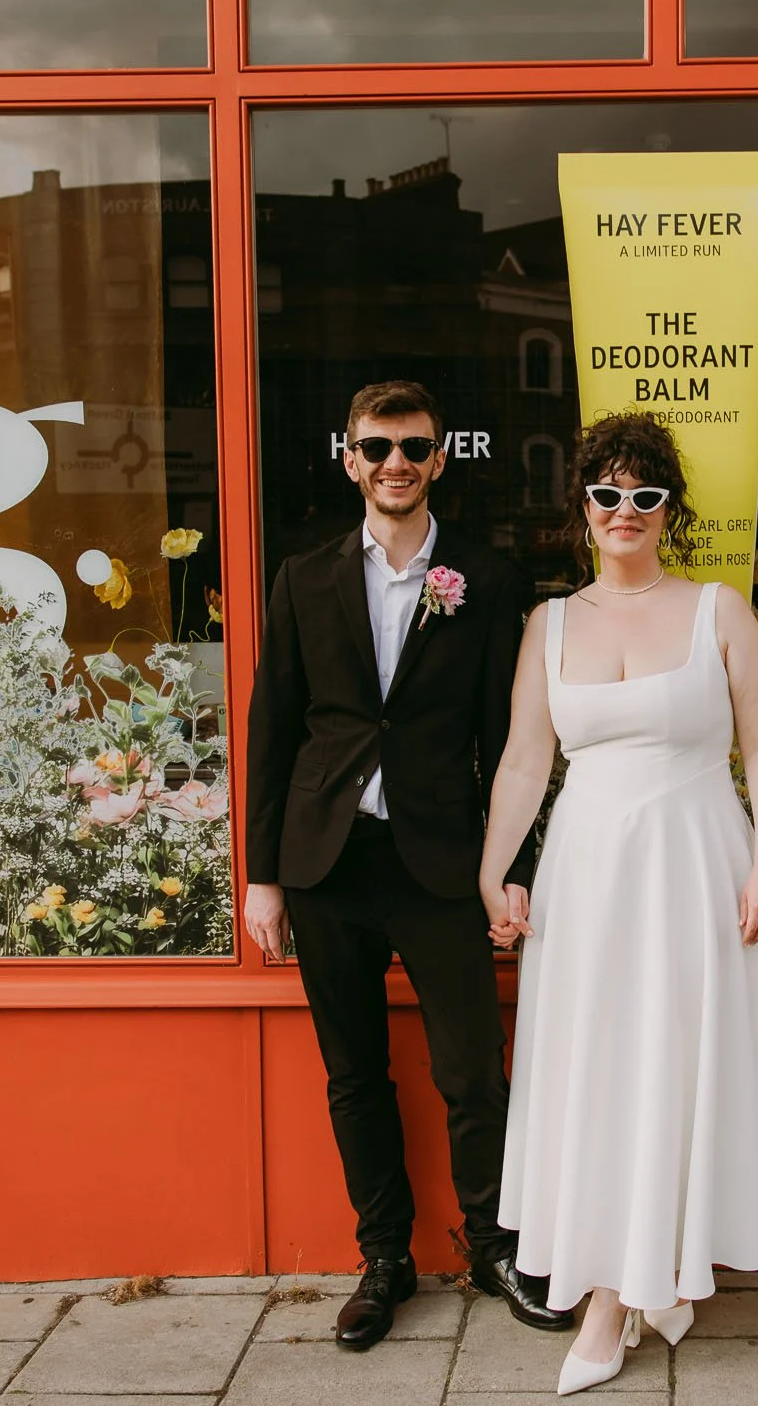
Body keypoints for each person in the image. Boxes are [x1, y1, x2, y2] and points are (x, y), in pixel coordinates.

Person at [478, 411, 758, 1395]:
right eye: (607, 494)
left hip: (696, 863)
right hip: (587, 874)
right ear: (581, 508)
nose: (625, 511)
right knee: (600, 1070)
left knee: (675, 1062)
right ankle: (627, 1278)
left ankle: (625, 1291)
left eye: (645, 495)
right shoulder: (549, 624)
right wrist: (494, 871)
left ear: (670, 510)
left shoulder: (719, 610)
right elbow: (527, 759)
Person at [243, 380, 575, 1349]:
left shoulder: (487, 577)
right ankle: (383, 1257)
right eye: (376, 445)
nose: (395, 461)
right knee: (355, 1073)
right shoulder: (303, 577)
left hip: (441, 859)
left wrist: (509, 864)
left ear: (439, 459)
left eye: (413, 445)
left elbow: (509, 739)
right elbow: (274, 727)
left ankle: (492, 1246)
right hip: (325, 862)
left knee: (473, 1071)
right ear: (348, 458)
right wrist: (264, 873)